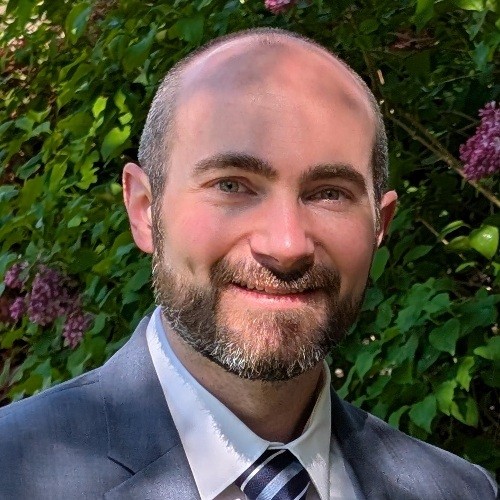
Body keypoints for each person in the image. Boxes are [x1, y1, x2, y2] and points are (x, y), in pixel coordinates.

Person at [0, 28, 497, 500]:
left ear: (378, 225)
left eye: (329, 193)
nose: (286, 244)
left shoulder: (462, 491)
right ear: (144, 210)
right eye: (232, 185)